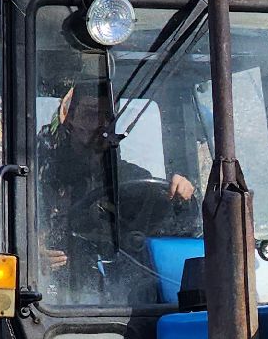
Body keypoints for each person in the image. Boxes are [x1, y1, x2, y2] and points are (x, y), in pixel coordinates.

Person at [36, 83, 197, 300]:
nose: (98, 125)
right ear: (69, 116)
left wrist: (181, 199)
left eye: (106, 116)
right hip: (59, 300)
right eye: (89, 114)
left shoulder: (134, 178)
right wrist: (31, 257)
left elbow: (179, 231)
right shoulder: (40, 176)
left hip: (133, 298)